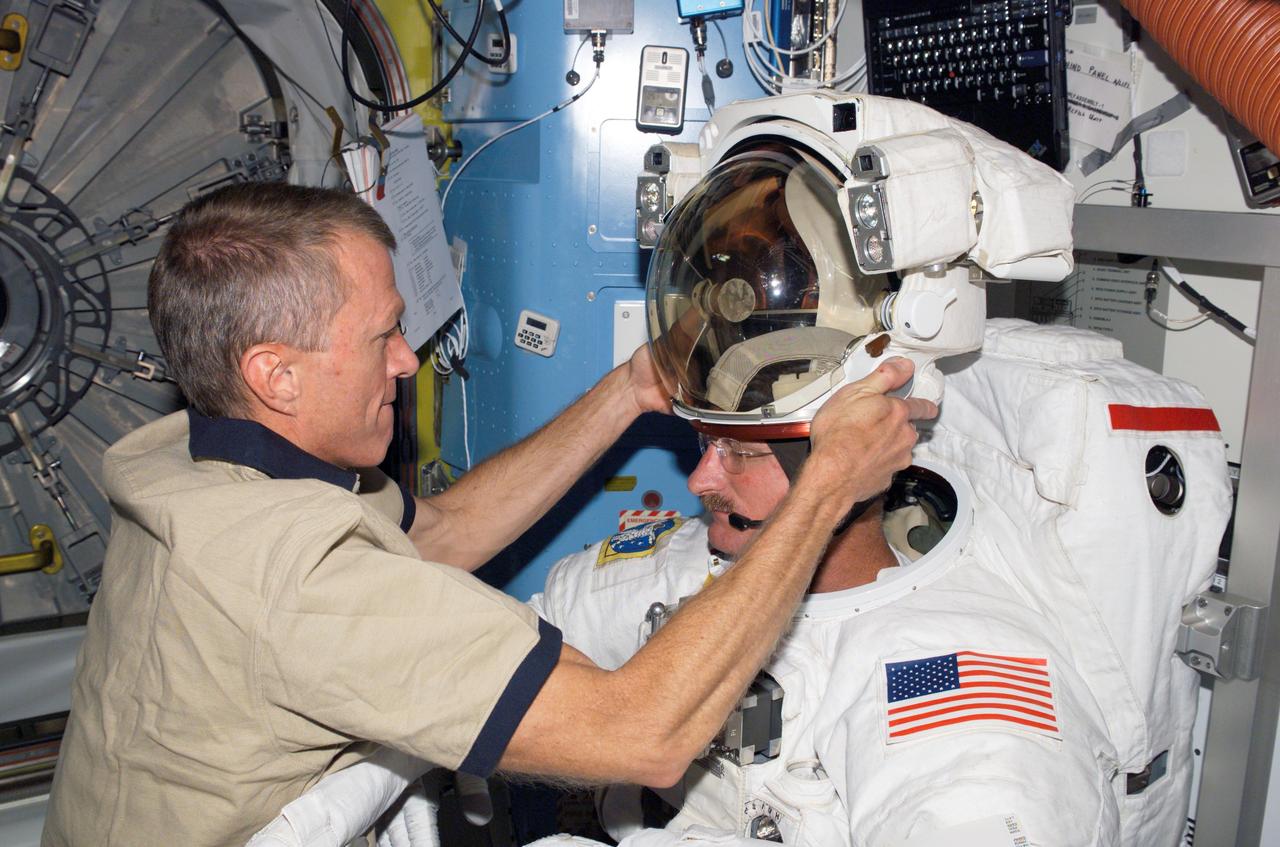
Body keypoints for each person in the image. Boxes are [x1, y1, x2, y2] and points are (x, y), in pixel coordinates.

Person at [41, 182, 935, 846]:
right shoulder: (300, 579)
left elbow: (437, 537)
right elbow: (645, 736)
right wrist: (827, 486)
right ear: (276, 374)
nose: (407, 360)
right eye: (380, 336)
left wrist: (627, 390)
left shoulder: (188, 455)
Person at [529, 322, 1233, 847]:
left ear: (847, 474)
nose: (699, 480)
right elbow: (512, 647)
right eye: (706, 446)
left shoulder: (951, 673)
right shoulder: (692, 563)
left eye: (738, 454)